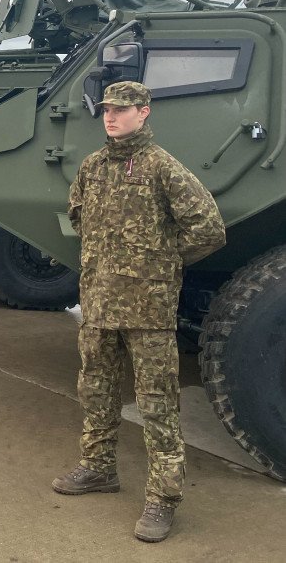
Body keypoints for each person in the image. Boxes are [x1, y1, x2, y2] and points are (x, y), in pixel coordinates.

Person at [53, 81, 226, 543]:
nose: (111, 117)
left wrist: (163, 261)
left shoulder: (161, 167)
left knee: (157, 403)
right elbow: (78, 216)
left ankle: (163, 498)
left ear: (144, 112)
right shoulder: (93, 167)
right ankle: (98, 467)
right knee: (96, 390)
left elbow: (209, 228)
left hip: (148, 310)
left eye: (122, 109)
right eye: (107, 109)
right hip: (98, 304)